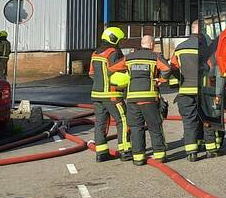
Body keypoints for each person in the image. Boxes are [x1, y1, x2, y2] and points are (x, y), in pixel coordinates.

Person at [169, 21, 217, 161]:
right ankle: (211, 149)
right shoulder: (206, 48)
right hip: (203, 90)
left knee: (189, 121)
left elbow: (173, 68)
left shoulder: (180, 48)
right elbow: (212, 68)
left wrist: (180, 80)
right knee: (207, 119)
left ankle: (191, 153)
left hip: (185, 91)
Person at [124, 35, 171, 166]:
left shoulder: (129, 57)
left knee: (135, 127)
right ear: (151, 44)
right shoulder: (155, 56)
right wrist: (160, 80)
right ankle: (160, 155)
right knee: (154, 126)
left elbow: (113, 68)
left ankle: (138, 157)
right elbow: (167, 69)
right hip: (149, 97)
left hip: (132, 98)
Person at [89, 27, 132, 162]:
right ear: (114, 39)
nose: (120, 43)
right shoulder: (113, 52)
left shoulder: (95, 53)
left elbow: (91, 74)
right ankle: (125, 151)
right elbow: (117, 69)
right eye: (119, 40)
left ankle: (101, 153)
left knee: (100, 123)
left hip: (97, 95)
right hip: (112, 94)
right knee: (123, 120)